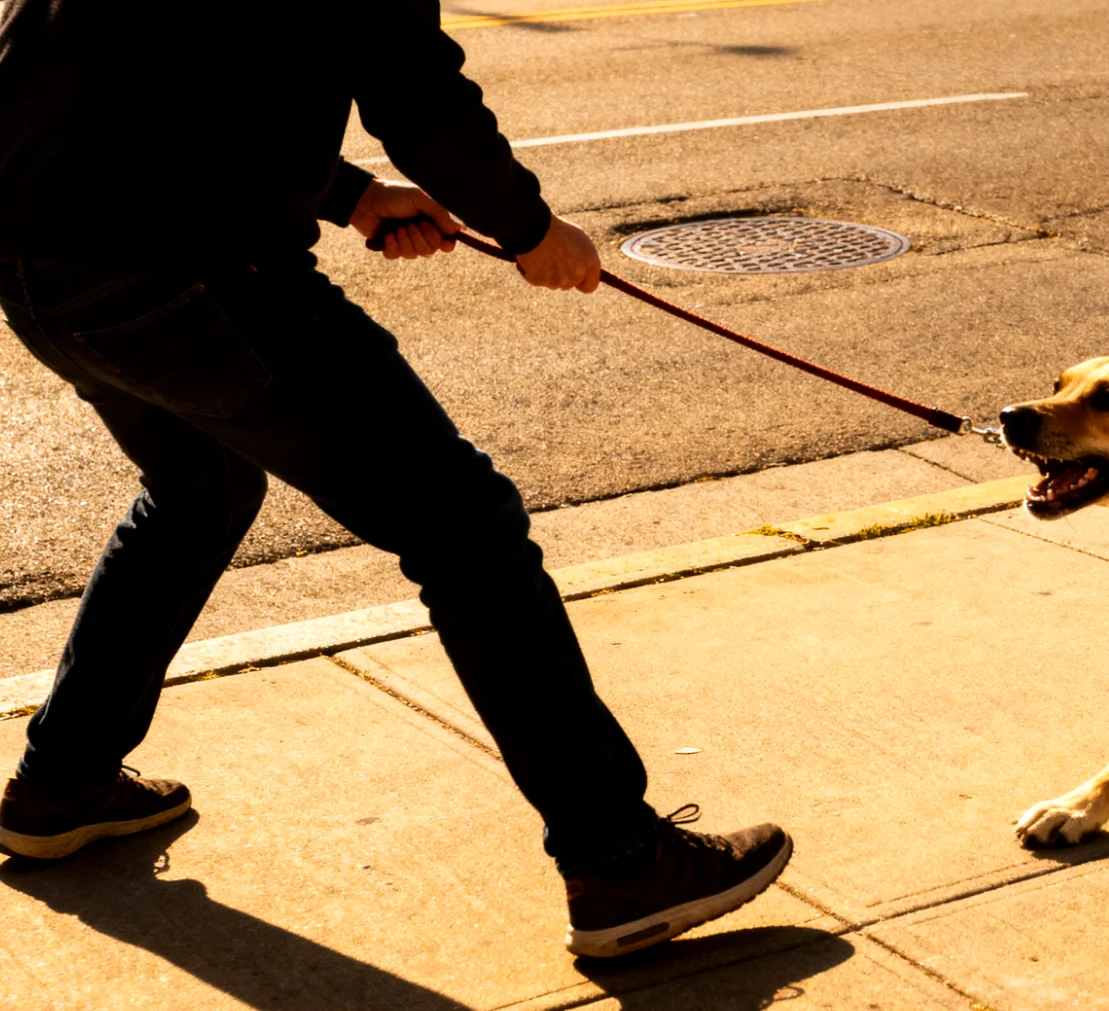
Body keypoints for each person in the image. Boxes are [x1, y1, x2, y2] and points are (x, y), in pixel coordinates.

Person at [0, 0, 790, 958]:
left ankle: (63, 780)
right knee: (466, 527)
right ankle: (619, 860)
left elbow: (133, 86)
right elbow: (418, 96)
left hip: (45, 274)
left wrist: (347, 192)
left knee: (199, 488)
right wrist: (531, 227)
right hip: (198, 279)